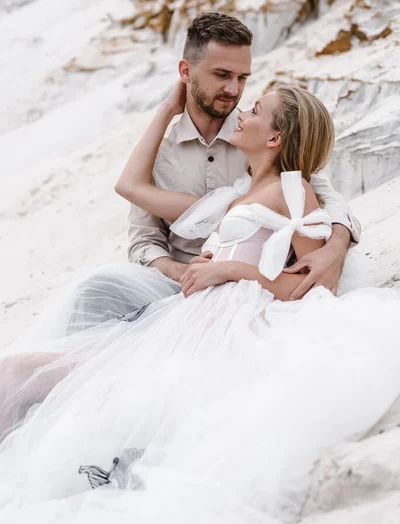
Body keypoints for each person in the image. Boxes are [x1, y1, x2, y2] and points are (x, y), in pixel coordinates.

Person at [0, 82, 399, 524]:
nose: (242, 113)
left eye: (255, 110)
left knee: (76, 396)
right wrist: (169, 110)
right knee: (20, 373)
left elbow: (311, 288)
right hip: (189, 319)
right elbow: (130, 186)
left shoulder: (294, 190)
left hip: (225, 328)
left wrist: (230, 270)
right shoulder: (239, 193)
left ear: (275, 138)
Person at [67, 12, 360, 335]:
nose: (233, 89)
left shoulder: (260, 141)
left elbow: (326, 201)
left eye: (242, 77)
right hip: (175, 287)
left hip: (247, 296)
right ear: (186, 72)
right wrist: (180, 271)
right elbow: (143, 240)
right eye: (222, 74)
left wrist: (334, 250)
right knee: (93, 295)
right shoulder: (156, 155)